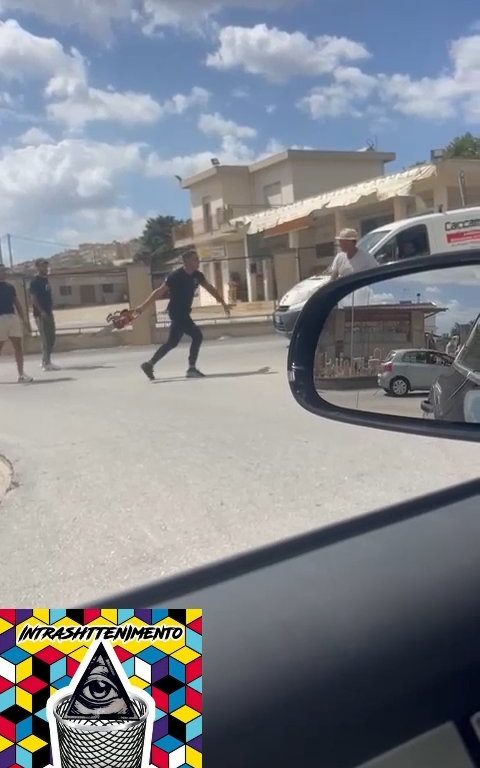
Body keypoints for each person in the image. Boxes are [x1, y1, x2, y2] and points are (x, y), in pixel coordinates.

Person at [135, 251, 230, 380]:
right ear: (187, 262)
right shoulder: (175, 276)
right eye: (195, 259)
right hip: (176, 312)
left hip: (184, 312)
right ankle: (191, 368)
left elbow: (209, 288)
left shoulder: (197, 275)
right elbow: (159, 292)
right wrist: (142, 307)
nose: (198, 261)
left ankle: (149, 364)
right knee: (197, 335)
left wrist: (222, 301)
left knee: (172, 342)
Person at [0, 264, 33, 383]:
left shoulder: (10, 287)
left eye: (3, 271)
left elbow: (17, 303)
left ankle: (21, 374)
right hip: (0, 319)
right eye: (1, 271)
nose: (3, 273)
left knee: (18, 347)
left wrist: (23, 319)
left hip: (12, 318)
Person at [29, 258, 59, 371]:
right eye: (42, 266)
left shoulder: (45, 280)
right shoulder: (35, 281)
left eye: (46, 266)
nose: (45, 268)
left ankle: (46, 360)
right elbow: (33, 298)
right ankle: (46, 363)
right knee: (45, 338)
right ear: (37, 267)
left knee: (51, 337)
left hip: (49, 312)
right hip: (41, 314)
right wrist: (41, 311)